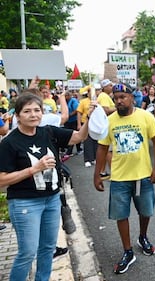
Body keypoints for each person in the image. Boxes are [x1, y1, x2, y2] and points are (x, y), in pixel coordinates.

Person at [0, 93, 91, 281]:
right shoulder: (9, 142)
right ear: (17, 116)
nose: (33, 115)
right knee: (27, 253)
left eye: (37, 110)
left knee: (48, 248)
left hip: (52, 200)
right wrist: (34, 169)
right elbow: (2, 180)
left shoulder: (48, 132)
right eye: (27, 111)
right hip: (25, 203)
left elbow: (79, 137)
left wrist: (90, 116)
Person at [93, 83, 155, 274]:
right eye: (116, 98)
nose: (119, 101)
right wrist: (97, 173)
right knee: (121, 215)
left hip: (143, 177)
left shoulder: (145, 116)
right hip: (119, 178)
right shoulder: (110, 121)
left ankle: (143, 236)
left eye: (123, 97)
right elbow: (102, 148)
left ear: (132, 97)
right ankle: (127, 251)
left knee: (145, 211)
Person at [77, 86, 97, 168]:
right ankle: (87, 159)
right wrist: (78, 124)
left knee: (95, 141)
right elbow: (79, 113)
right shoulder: (83, 101)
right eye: (90, 92)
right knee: (87, 141)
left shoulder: (97, 101)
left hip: (95, 124)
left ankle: (94, 158)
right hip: (85, 123)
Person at [63, 91, 82, 157]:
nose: (66, 97)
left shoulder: (73, 101)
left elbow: (77, 109)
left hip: (74, 120)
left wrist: (70, 115)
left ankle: (76, 149)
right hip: (67, 121)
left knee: (74, 134)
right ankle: (71, 150)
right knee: (68, 135)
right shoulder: (64, 101)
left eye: (67, 95)